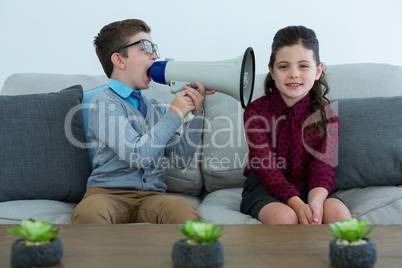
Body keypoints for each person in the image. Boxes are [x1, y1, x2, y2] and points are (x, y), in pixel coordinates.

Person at [71, 19, 215, 224]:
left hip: (152, 197)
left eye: (154, 48)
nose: (155, 55)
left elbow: (180, 159)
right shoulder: (104, 102)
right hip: (107, 195)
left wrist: (195, 114)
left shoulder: (155, 107)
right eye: (145, 48)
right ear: (119, 60)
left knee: (183, 211)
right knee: (90, 214)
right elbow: (137, 155)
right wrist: (174, 113)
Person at [240, 26, 351, 224]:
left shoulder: (328, 117)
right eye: (283, 66)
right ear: (272, 72)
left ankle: (340, 254)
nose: (293, 74)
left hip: (312, 187)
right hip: (266, 187)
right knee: (286, 217)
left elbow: (323, 168)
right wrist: (298, 205)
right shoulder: (255, 112)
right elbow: (268, 168)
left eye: (303, 66)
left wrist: (315, 203)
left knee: (338, 215)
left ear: (318, 71)